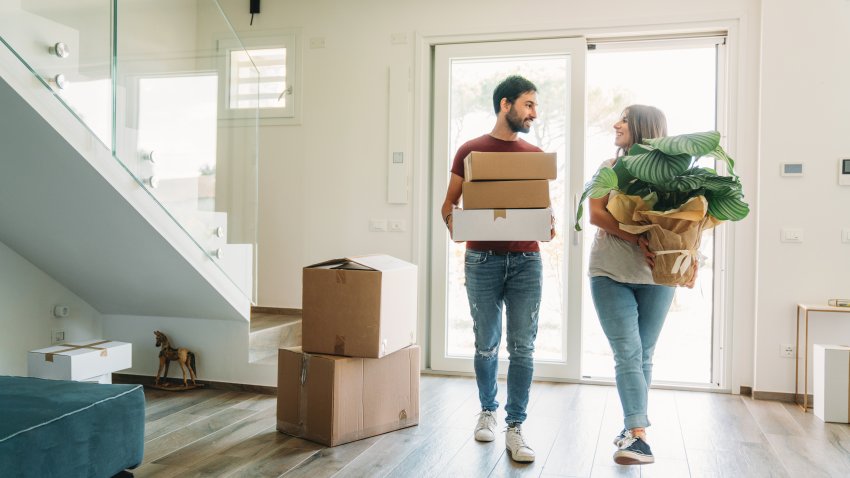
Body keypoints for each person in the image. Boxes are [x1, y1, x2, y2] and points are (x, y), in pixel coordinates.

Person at [440, 75, 553, 463]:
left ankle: (515, 427)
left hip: (526, 262)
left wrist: (548, 227)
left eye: (535, 106)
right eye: (528, 104)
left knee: (523, 347)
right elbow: (448, 207)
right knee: (486, 343)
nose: (534, 113)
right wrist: (462, 225)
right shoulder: (470, 152)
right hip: (481, 261)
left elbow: (543, 215)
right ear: (505, 105)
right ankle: (487, 411)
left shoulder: (534, 155)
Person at [587, 104, 696, 465]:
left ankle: (630, 429)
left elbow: (688, 220)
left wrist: (684, 254)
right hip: (610, 271)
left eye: (624, 120)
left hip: (658, 274)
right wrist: (638, 239)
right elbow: (596, 214)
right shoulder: (611, 168)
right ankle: (639, 436)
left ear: (643, 128)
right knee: (628, 353)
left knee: (643, 354)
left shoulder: (673, 175)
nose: (616, 124)